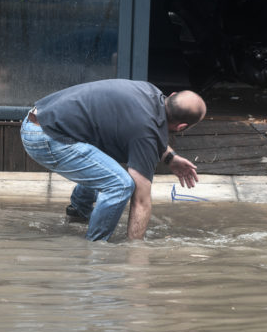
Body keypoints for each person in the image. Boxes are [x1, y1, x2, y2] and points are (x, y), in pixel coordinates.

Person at [20, 79, 206, 241]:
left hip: (39, 118)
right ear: (182, 126)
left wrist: (170, 157)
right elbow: (141, 201)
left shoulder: (149, 91)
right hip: (44, 138)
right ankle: (96, 247)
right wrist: (136, 250)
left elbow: (146, 132)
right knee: (120, 185)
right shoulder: (145, 132)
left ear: (172, 95)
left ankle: (79, 214)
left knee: (107, 165)